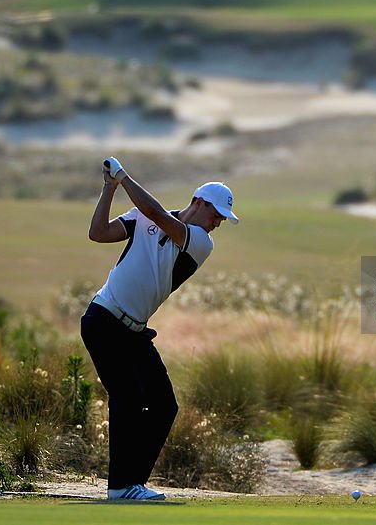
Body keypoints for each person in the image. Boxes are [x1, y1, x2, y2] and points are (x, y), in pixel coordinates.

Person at [82, 156, 239, 501]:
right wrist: (110, 187)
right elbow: (99, 232)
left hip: (134, 331)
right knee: (128, 399)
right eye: (216, 215)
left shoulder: (199, 242)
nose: (217, 224)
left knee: (164, 405)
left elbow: (156, 214)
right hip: (104, 319)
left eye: (222, 220)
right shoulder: (142, 216)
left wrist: (123, 177)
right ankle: (122, 487)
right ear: (198, 203)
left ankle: (131, 483)